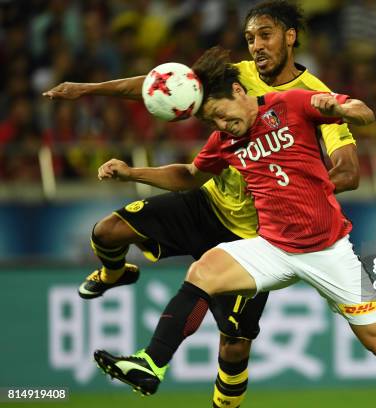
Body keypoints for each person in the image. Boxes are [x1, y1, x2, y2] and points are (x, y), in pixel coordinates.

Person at [94, 46, 376, 408]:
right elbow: (190, 175)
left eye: (222, 113)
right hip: (272, 247)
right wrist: (132, 172)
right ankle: (152, 362)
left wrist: (341, 107)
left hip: (330, 251)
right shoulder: (224, 141)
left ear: (240, 90)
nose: (222, 124)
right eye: (211, 120)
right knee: (204, 270)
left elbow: (362, 112)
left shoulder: (289, 104)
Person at [43, 2, 359, 407]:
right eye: (249, 38)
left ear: (290, 36)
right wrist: (86, 90)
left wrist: (301, 194)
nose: (256, 45)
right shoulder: (238, 75)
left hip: (253, 235)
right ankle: (114, 272)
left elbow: (349, 171)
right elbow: (160, 85)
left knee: (233, 347)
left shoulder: (315, 96)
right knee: (108, 231)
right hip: (206, 203)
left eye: (265, 35)